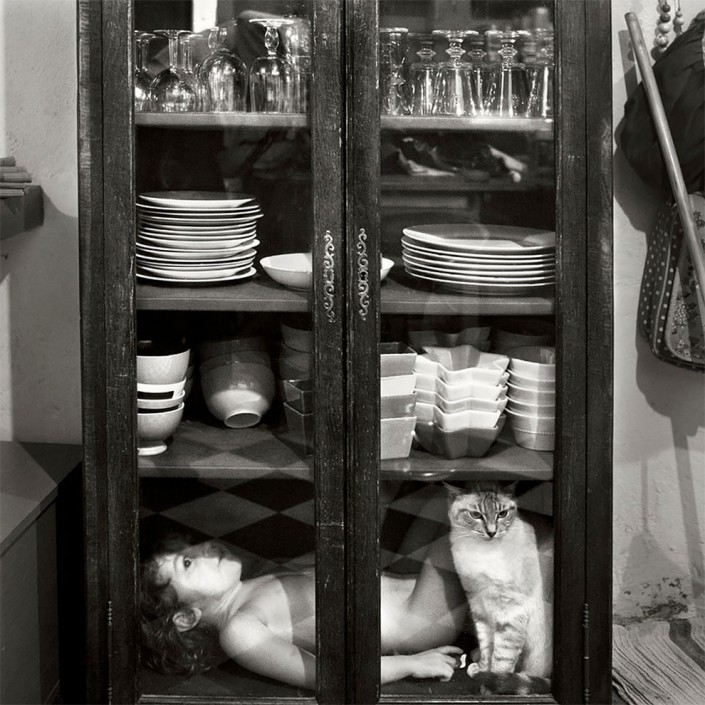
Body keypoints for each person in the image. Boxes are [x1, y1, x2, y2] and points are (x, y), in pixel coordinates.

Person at [140, 521, 468, 689]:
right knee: (461, 539)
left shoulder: (259, 580)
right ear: (185, 617)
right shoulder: (240, 629)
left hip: (412, 586)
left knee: (441, 504)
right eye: (187, 563)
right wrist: (410, 664)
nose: (204, 548)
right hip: (417, 623)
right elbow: (325, 676)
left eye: (192, 543)